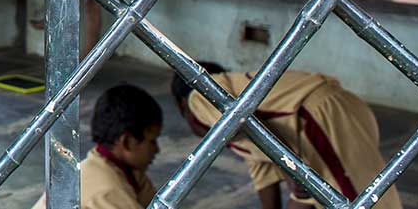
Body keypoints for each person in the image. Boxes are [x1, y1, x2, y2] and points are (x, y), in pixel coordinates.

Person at [172, 63, 402, 209]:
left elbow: (247, 124)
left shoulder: (200, 94)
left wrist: (292, 171)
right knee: (338, 191)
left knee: (359, 201)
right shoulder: (235, 134)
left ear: (181, 105)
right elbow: (263, 174)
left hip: (318, 114)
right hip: (330, 113)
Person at [31, 83, 162, 209]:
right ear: (126, 141)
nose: (157, 150)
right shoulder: (108, 190)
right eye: (152, 141)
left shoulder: (125, 171)